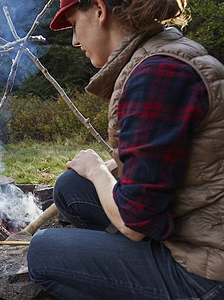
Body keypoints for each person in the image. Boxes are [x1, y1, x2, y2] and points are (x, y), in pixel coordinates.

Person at [27, 0, 224, 299]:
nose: (75, 40)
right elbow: (169, 155)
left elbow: (135, 224)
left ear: (99, 10)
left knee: (42, 252)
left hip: (205, 271)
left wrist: (96, 169)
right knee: (71, 186)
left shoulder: (156, 74)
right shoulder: (165, 55)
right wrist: (110, 169)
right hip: (198, 230)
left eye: (74, 25)